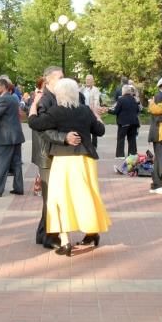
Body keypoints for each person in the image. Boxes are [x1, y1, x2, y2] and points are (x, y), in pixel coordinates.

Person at [28, 78, 110, 255]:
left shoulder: (56, 112)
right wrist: (96, 115)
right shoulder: (84, 110)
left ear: (59, 94)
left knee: (60, 199)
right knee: (87, 197)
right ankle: (92, 232)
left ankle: (65, 241)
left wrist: (34, 103)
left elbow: (34, 123)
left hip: (63, 161)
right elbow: (100, 131)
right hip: (85, 160)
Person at [28, 66, 82, 248]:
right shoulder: (45, 100)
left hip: (56, 152)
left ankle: (43, 234)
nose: (62, 80)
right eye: (58, 78)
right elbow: (41, 129)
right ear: (47, 81)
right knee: (51, 197)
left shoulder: (56, 97)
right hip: (47, 154)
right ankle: (50, 237)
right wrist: (63, 138)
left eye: (63, 77)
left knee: (53, 196)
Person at [108, 84, 141, 158]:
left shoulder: (121, 99)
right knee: (132, 139)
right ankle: (132, 154)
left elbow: (115, 111)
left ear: (123, 91)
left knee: (121, 138)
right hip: (134, 122)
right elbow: (138, 110)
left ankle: (120, 155)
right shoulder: (134, 99)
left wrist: (108, 110)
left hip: (123, 123)